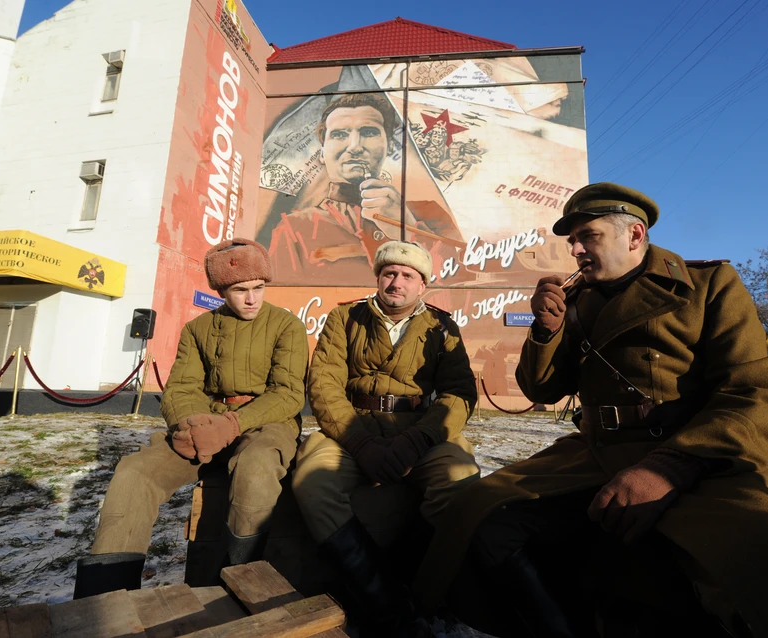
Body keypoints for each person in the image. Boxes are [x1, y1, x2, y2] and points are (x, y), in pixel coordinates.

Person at [413, 183, 768, 637]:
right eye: (572, 239)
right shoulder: (577, 300)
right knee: (481, 511)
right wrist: (546, 330)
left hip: (695, 456)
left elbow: (761, 392)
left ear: (634, 235)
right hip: (595, 453)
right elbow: (542, 388)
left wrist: (672, 466)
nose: (575, 249)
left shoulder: (707, 285)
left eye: (587, 236)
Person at [73, 238, 307, 598]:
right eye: (240, 289)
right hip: (203, 425)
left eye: (258, 288)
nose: (252, 299)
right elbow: (181, 388)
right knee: (135, 474)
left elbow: (287, 394)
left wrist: (230, 425)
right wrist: (188, 425)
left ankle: (238, 586)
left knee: (256, 469)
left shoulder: (286, 325)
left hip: (265, 423)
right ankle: (104, 603)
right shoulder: (198, 329)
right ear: (220, 289)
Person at [292, 240, 480, 633]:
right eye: (389, 273)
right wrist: (359, 443)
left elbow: (458, 394)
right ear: (378, 278)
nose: (397, 282)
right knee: (313, 482)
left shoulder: (443, 327)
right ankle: (383, 600)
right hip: (351, 426)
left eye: (407, 276)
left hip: (419, 430)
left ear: (422, 285)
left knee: (460, 479)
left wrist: (418, 441)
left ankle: (418, 587)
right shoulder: (345, 317)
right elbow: (324, 384)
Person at [267, 94, 459, 284]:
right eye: (339, 135)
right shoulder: (295, 228)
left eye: (368, 132)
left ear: (390, 146)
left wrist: (407, 227)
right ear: (322, 153)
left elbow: (463, 285)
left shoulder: (430, 213)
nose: (354, 146)